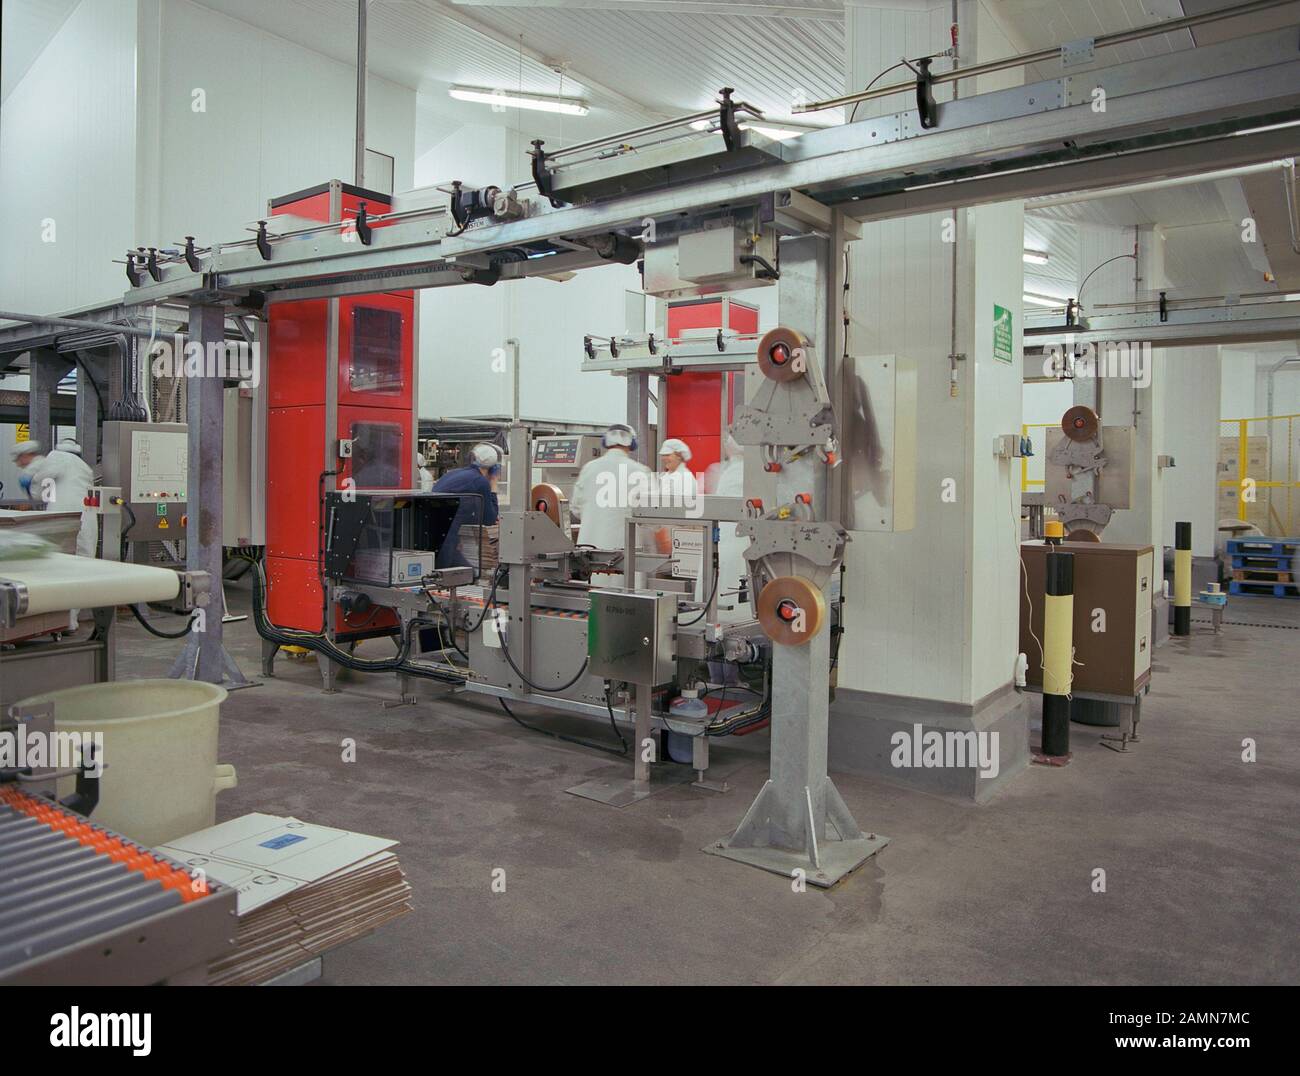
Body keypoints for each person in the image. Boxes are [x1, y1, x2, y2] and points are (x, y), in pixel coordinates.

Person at [571, 423, 652, 552]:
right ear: (632, 443)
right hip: (624, 551)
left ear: (605, 441)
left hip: (588, 549)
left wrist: (595, 517)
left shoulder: (589, 468)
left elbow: (576, 508)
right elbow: (650, 514)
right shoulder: (640, 471)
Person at [12, 439, 97, 558]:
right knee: (84, 551)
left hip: (64, 512)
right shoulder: (85, 467)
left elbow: (42, 484)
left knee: (58, 552)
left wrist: (33, 492)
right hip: (87, 514)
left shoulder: (56, 457)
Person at [431, 443, 500, 569]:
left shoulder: (453, 474)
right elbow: (489, 519)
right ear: (493, 468)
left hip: (432, 534)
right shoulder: (480, 481)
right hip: (445, 540)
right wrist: (493, 484)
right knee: (459, 574)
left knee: (468, 572)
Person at [657, 437, 698, 507]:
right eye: (663, 455)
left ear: (679, 456)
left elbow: (685, 507)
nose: (663, 458)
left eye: (667, 455)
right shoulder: (664, 476)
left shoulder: (686, 478)